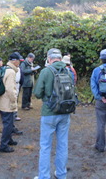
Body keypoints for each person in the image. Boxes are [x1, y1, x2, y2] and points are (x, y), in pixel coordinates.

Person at [33, 48, 71, 179]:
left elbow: (37, 93)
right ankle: (61, 174)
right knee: (62, 144)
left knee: (45, 146)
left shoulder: (46, 71)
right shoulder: (68, 71)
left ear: (49, 59)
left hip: (49, 113)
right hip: (65, 112)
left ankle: (44, 176)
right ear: (60, 58)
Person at [0, 53, 21, 153]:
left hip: (2, 101)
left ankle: (9, 140)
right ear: (14, 61)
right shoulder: (11, 72)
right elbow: (10, 89)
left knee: (9, 123)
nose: (19, 63)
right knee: (8, 124)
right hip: (7, 102)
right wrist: (14, 100)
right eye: (19, 60)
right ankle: (3, 146)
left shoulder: (5, 68)